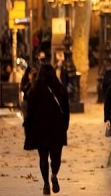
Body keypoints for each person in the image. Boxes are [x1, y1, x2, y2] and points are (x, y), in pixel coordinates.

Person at [23, 64, 70, 194]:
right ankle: (54, 173)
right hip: (57, 128)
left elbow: (30, 111)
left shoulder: (34, 90)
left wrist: (27, 126)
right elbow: (66, 110)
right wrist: (65, 126)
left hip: (40, 129)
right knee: (56, 156)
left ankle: (45, 184)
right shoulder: (60, 89)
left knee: (43, 157)